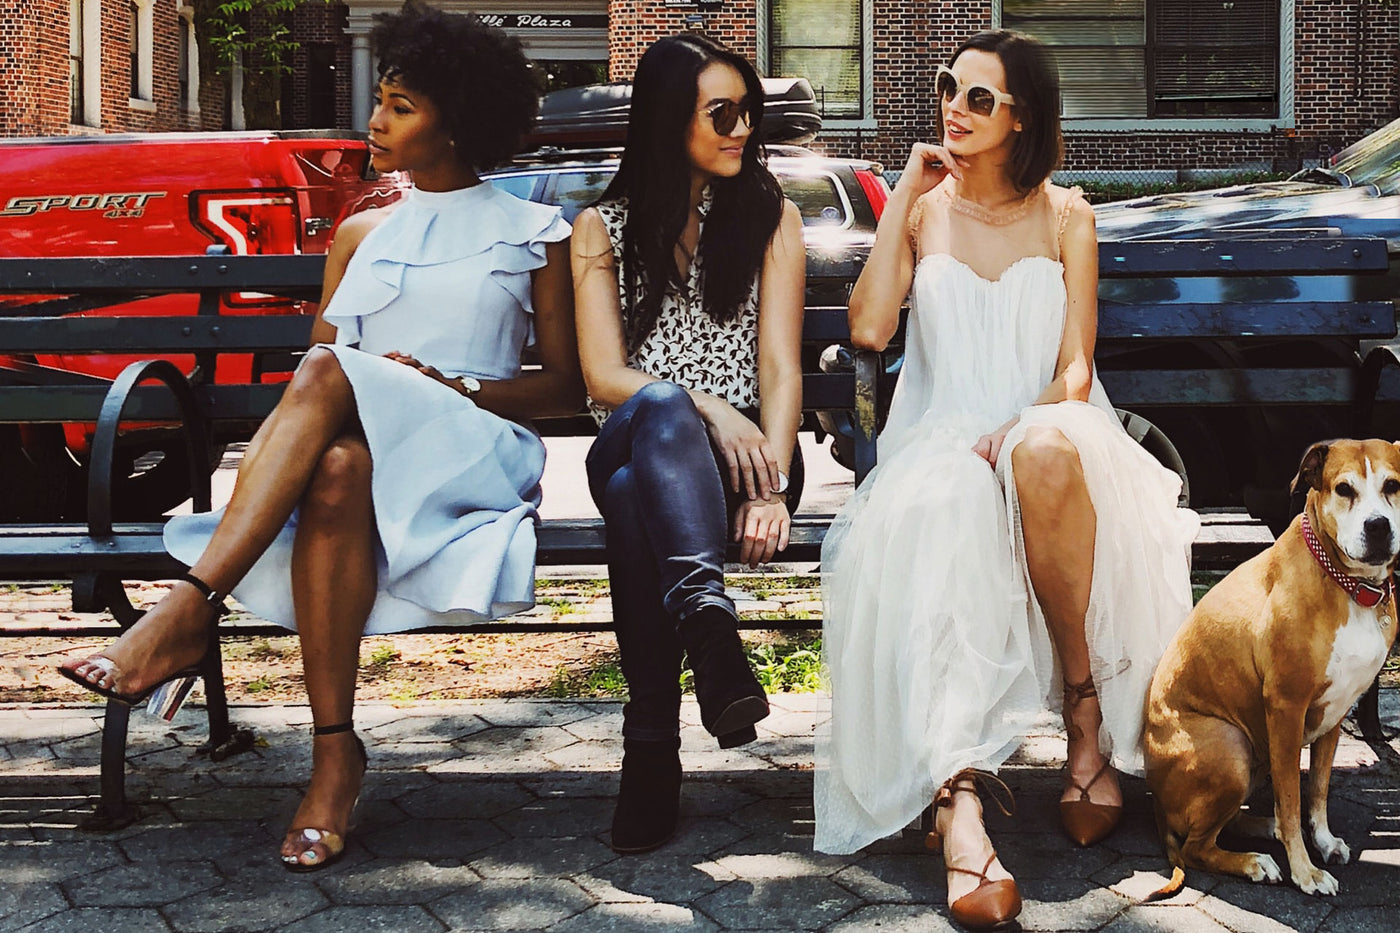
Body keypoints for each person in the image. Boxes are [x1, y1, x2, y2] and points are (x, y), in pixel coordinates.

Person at [57, 0, 581, 873]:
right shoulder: (362, 233)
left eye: (401, 106)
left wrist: (447, 384)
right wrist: (380, 387)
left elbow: (564, 388)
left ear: (459, 123)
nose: (376, 120)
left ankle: (189, 607)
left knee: (329, 369)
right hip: (368, 457)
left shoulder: (535, 233)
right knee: (334, 463)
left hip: (472, 452)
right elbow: (322, 392)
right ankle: (335, 755)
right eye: (381, 100)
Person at [814, 30, 1197, 929]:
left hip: (1048, 420)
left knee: (1043, 452)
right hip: (939, 438)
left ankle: (1085, 718)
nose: (955, 107)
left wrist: (1021, 420)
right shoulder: (924, 211)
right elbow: (869, 329)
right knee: (949, 501)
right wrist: (906, 192)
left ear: (1022, 116)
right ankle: (959, 803)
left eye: (979, 97)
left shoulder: (1068, 216)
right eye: (949, 87)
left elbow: (1076, 367)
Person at [571, 33, 806, 854]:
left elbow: (779, 366)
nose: (742, 129)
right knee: (660, 410)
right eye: (722, 114)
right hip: (637, 434)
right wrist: (707, 406)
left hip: (737, 469)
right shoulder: (602, 227)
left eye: (747, 113)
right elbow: (604, 376)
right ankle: (707, 624)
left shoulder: (772, 218)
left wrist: (771, 482)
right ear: (669, 120)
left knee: (635, 498)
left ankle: (652, 745)